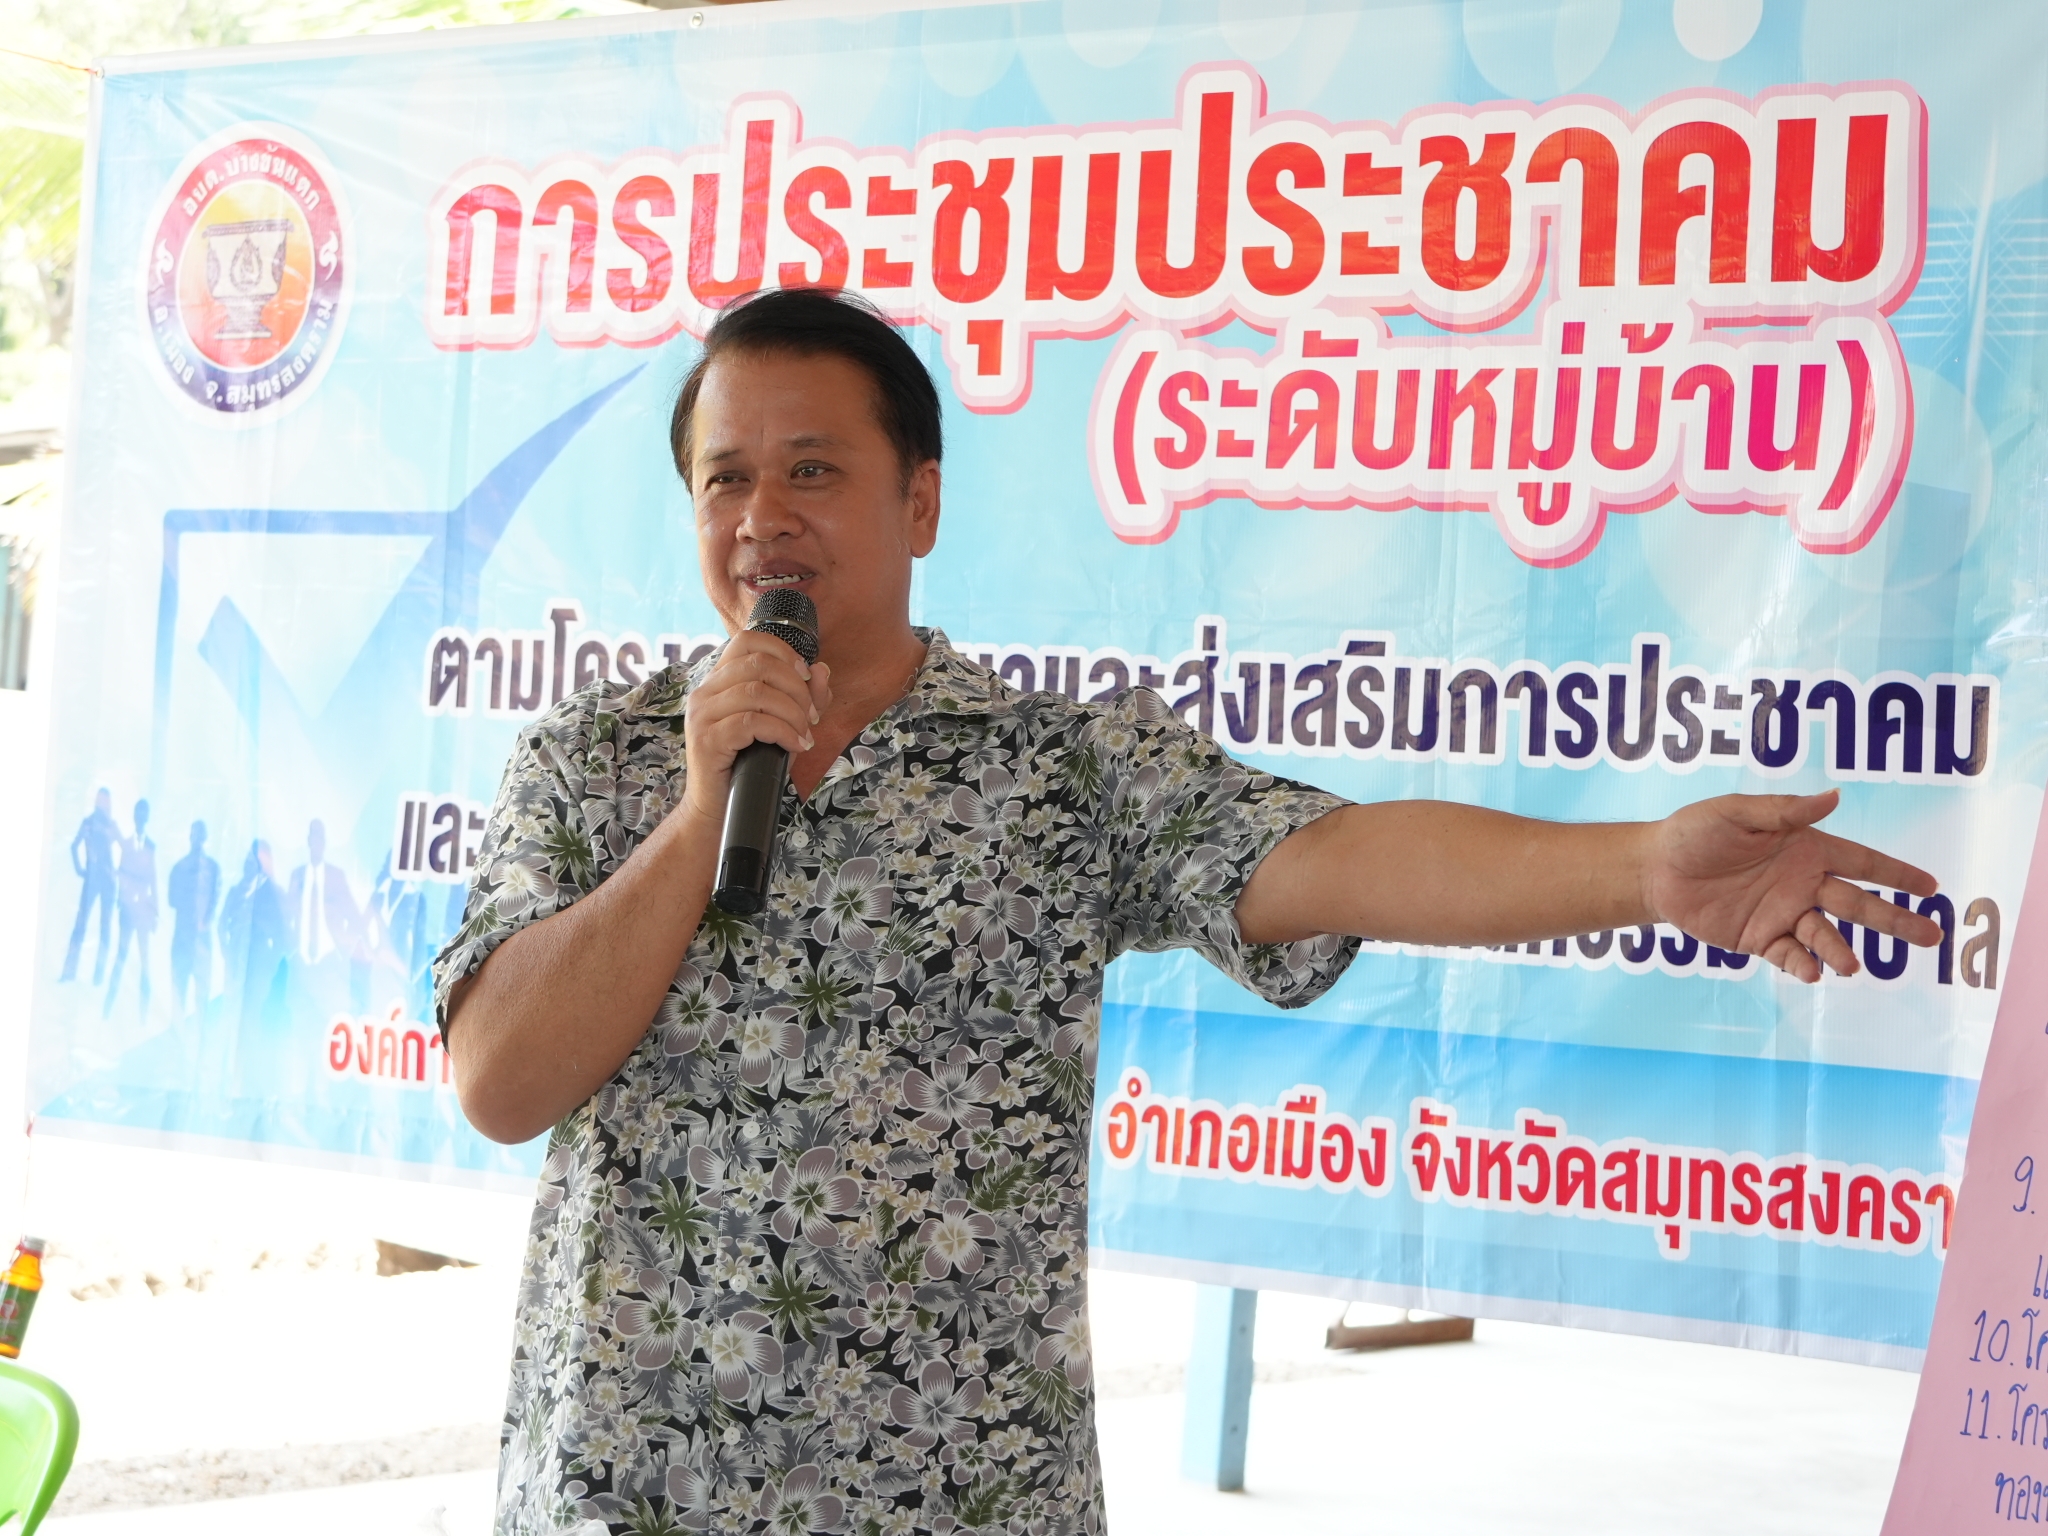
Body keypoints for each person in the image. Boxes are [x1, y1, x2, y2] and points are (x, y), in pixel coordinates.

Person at [434, 289, 1941, 1536]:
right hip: (631, 1486)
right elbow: (500, 1080)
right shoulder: (591, 760)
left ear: (920, 501)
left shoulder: (1058, 767)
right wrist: (699, 812)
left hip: (961, 1493)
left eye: (812, 470)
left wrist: (1644, 868)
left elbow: (1343, 857)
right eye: (726, 478)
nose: (763, 517)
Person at [286, 820, 361, 1021]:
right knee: (297, 1022)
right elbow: (286, 915)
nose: (316, 842)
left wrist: (343, 946)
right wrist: (291, 949)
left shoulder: (336, 876)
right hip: (300, 964)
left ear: (324, 842)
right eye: (313, 836)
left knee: (329, 1021)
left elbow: (355, 918)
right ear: (308, 840)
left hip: (329, 964)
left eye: (320, 837)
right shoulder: (297, 876)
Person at [57, 787, 119, 985]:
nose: (103, 804)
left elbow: (123, 847)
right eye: (101, 800)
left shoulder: (109, 824)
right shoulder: (89, 823)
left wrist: (117, 874)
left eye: (105, 800)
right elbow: (74, 846)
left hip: (105, 881)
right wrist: (79, 869)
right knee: (82, 926)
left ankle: (96, 977)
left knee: (103, 929)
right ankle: (71, 972)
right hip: (93, 879)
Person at [103, 798, 157, 1018]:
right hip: (127, 910)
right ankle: (107, 1010)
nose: (140, 817)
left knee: (145, 962)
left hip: (143, 911)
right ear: (134, 816)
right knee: (121, 957)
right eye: (138, 813)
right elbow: (121, 872)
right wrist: (120, 898)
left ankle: (143, 1015)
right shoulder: (126, 844)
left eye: (144, 813)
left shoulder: (151, 846)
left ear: (147, 817)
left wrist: (155, 911)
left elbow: (153, 880)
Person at [167, 820, 221, 1019]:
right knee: (179, 993)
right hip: (184, 938)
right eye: (195, 834)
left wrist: (202, 920)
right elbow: (172, 899)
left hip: (200, 940)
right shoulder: (179, 868)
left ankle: (198, 1031)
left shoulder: (213, 869)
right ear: (190, 837)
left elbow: (215, 900)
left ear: (205, 838)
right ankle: (178, 1031)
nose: (197, 839)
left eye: (200, 835)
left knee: (201, 997)